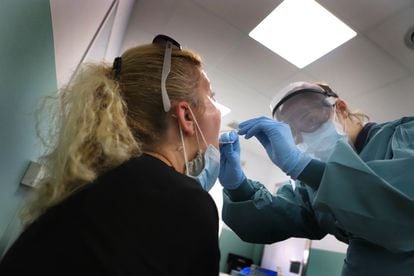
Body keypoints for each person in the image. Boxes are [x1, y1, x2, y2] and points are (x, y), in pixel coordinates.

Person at [0, 34, 221, 275]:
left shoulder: (85, 180)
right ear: (186, 116)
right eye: (211, 96)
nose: (217, 108)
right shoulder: (187, 202)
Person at [218, 81, 414, 275]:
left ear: (341, 109)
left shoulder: (403, 137)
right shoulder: (312, 186)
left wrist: (303, 167)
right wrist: (239, 187)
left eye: (309, 119)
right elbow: (280, 217)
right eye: (294, 133)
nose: (303, 138)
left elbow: (403, 214)